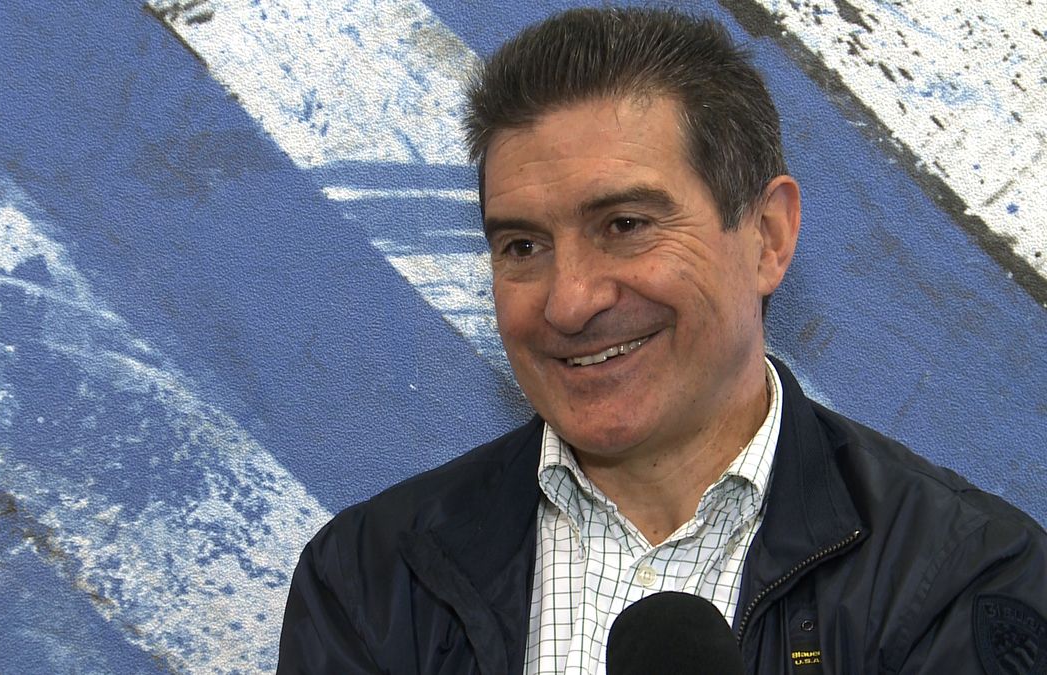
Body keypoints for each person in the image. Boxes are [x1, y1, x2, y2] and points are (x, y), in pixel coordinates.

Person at [277, 7, 1047, 674]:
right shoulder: (369, 581)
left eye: (625, 225)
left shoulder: (964, 579)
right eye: (522, 246)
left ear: (768, 236)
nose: (570, 301)